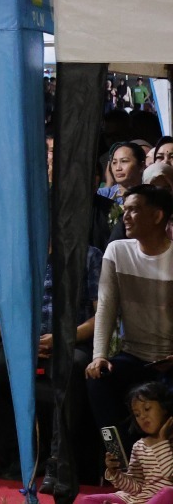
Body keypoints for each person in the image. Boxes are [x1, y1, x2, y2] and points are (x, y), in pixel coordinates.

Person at [0, 243, 100, 484]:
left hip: (70, 343)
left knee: (71, 370)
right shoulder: (17, 255)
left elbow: (100, 315)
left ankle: (57, 460)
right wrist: (23, 341)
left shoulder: (88, 255)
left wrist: (62, 338)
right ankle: (22, 441)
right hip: (22, 343)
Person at [89, 185, 173, 447]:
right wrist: (99, 355)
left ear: (157, 216)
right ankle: (119, 455)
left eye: (133, 210)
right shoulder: (117, 251)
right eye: (124, 210)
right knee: (97, 379)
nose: (125, 216)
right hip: (134, 355)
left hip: (170, 358)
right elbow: (106, 307)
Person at [87, 381, 173, 504]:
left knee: (169, 493)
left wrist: (162, 441)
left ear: (164, 408)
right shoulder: (140, 446)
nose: (142, 416)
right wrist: (115, 473)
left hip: (164, 499)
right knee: (88, 500)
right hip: (139, 499)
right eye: (137, 414)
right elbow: (135, 488)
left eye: (147, 409)